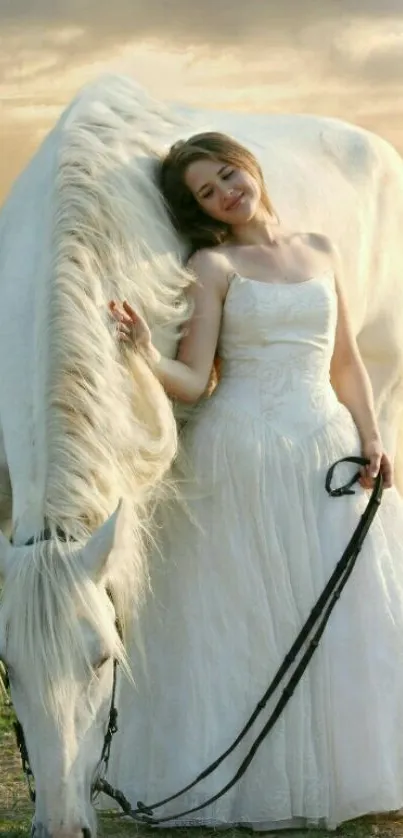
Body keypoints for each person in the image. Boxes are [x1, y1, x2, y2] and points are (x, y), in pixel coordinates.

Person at [108, 132, 403, 830]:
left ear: (248, 165)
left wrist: (371, 436)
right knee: (244, 617)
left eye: (226, 175)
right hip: (238, 453)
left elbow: (346, 365)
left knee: (344, 615)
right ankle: (251, 776)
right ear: (200, 209)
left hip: (322, 448)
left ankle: (349, 771)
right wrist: (145, 354)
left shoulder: (321, 250)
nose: (225, 194)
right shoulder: (212, 266)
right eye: (207, 192)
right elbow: (193, 380)